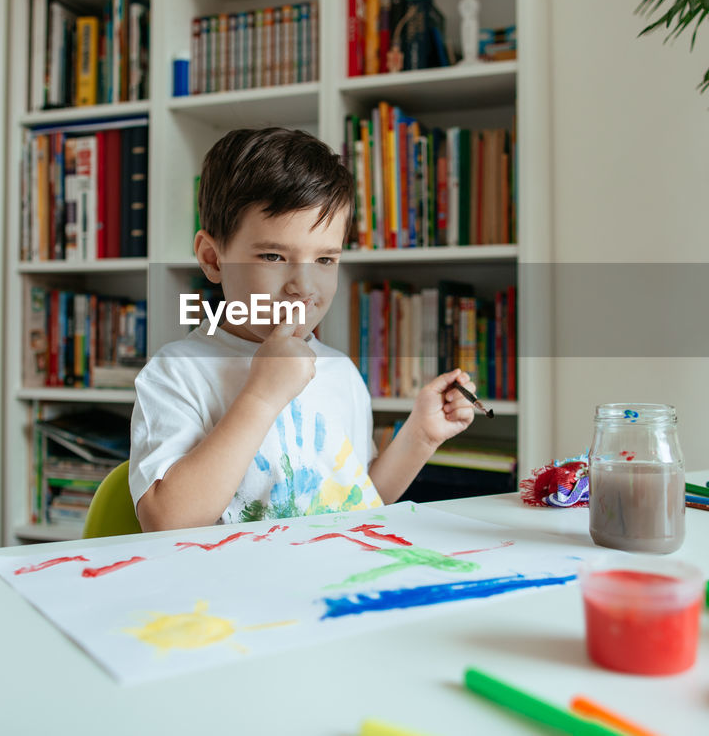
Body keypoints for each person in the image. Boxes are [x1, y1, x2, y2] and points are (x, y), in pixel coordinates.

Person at [128, 127, 477, 531]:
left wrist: (421, 436)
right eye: (274, 256)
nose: (304, 286)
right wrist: (261, 395)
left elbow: (359, 501)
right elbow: (167, 521)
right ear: (213, 258)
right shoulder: (178, 372)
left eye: (325, 260)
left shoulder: (340, 372)